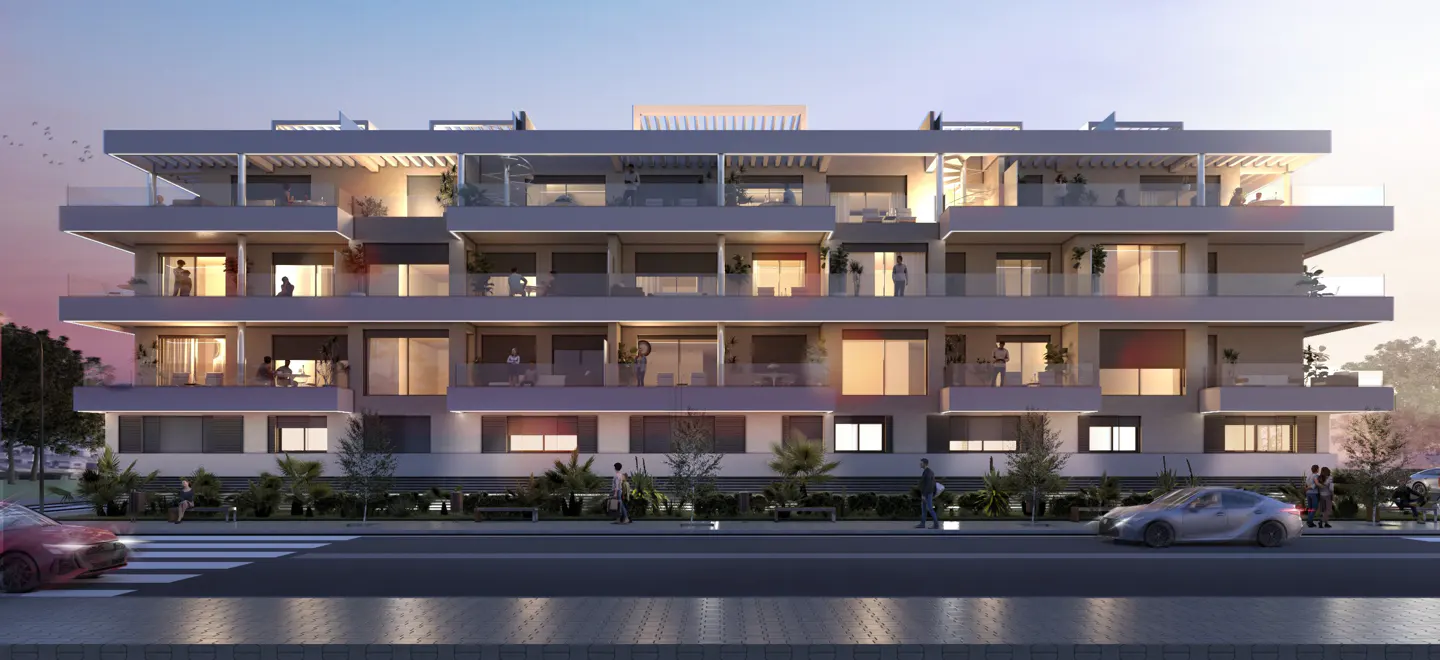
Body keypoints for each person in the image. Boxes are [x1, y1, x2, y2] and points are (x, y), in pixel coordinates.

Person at [917, 458, 939, 529]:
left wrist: (924, 495)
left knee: (930, 508)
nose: (920, 464)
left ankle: (936, 524)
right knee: (923, 508)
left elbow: (928, 484)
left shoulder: (928, 472)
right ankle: (922, 524)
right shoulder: (928, 472)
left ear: (925, 464)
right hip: (927, 493)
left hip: (927, 493)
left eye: (921, 463)